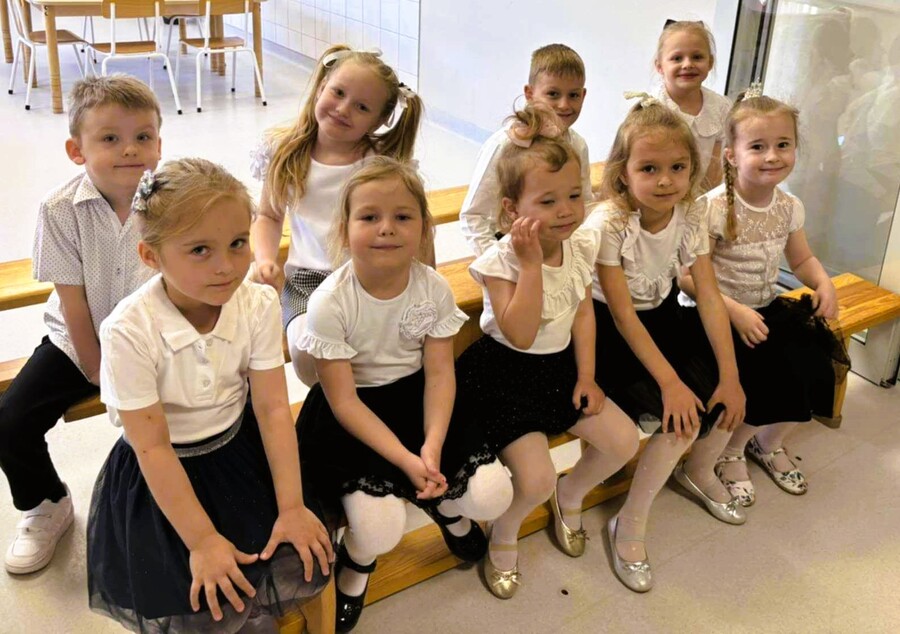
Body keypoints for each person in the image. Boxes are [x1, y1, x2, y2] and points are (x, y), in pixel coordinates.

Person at [88, 159, 333, 632]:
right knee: (198, 602)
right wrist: (201, 540)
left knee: (266, 571)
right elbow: (152, 447)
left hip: (237, 453)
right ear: (151, 256)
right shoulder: (128, 330)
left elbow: (272, 408)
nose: (227, 267)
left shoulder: (256, 302)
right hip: (164, 476)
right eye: (200, 249)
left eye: (238, 243)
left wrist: (291, 505)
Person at [296, 157, 513, 632]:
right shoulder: (330, 301)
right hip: (355, 413)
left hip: (418, 401)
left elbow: (439, 375)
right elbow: (344, 402)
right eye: (369, 216)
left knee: (494, 494)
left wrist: (431, 445)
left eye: (402, 216)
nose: (386, 228)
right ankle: (357, 562)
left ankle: (443, 503)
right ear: (345, 228)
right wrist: (405, 458)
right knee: (379, 528)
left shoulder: (432, 288)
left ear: (423, 227)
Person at [453, 105, 638, 600]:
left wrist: (587, 375)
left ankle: (570, 493)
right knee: (533, 479)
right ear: (512, 209)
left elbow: (583, 314)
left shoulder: (577, 247)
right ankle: (507, 528)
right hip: (504, 377)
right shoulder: (500, 261)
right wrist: (532, 266)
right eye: (548, 200)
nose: (566, 210)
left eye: (575, 195)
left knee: (623, 441)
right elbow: (518, 332)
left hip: (558, 370)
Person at [0, 74, 162, 575]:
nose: (129, 150)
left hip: (158, 338)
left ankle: (172, 500)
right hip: (80, 341)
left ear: (159, 144)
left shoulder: (174, 199)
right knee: (10, 420)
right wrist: (100, 373)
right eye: (110, 138)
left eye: (143, 136)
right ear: (77, 150)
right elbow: (73, 304)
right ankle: (46, 502)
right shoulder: (59, 208)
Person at [585, 94, 745, 593]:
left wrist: (731, 376)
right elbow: (622, 314)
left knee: (726, 391)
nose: (665, 181)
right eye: (649, 169)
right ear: (623, 173)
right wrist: (672, 384)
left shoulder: (691, 213)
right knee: (681, 416)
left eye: (678, 167)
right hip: (609, 332)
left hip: (663, 318)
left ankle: (698, 470)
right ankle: (629, 521)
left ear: (693, 169)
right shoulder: (610, 223)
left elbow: (709, 297)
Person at [678, 89, 850, 506]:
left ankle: (760, 443)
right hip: (711, 313)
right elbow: (686, 277)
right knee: (756, 373)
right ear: (732, 155)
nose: (772, 156)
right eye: (757, 147)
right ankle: (727, 453)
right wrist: (734, 311)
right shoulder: (712, 209)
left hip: (763, 307)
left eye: (783, 145)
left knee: (811, 364)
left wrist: (823, 283)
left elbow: (802, 258)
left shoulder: (788, 207)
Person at [250, 44, 423, 386]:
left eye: (362, 107)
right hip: (307, 280)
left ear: (379, 120)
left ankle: (359, 402)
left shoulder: (379, 165)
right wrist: (265, 259)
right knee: (305, 350)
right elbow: (268, 215)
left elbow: (412, 226)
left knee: (371, 353)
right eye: (338, 93)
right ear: (321, 86)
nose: (343, 109)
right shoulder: (286, 152)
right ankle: (330, 403)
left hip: (368, 277)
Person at [460, 43, 593, 256]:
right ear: (530, 94)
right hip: (510, 250)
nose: (564, 105)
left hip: (557, 251)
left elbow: (584, 200)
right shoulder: (504, 145)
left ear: (583, 95)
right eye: (553, 94)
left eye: (574, 95)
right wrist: (497, 264)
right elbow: (473, 216)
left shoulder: (578, 145)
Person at [655, 20, 731, 192]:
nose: (688, 64)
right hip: (661, 194)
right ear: (660, 66)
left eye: (697, 57)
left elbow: (716, 167)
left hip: (703, 196)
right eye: (677, 58)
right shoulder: (652, 108)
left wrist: (703, 201)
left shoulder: (721, 107)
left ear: (710, 62)